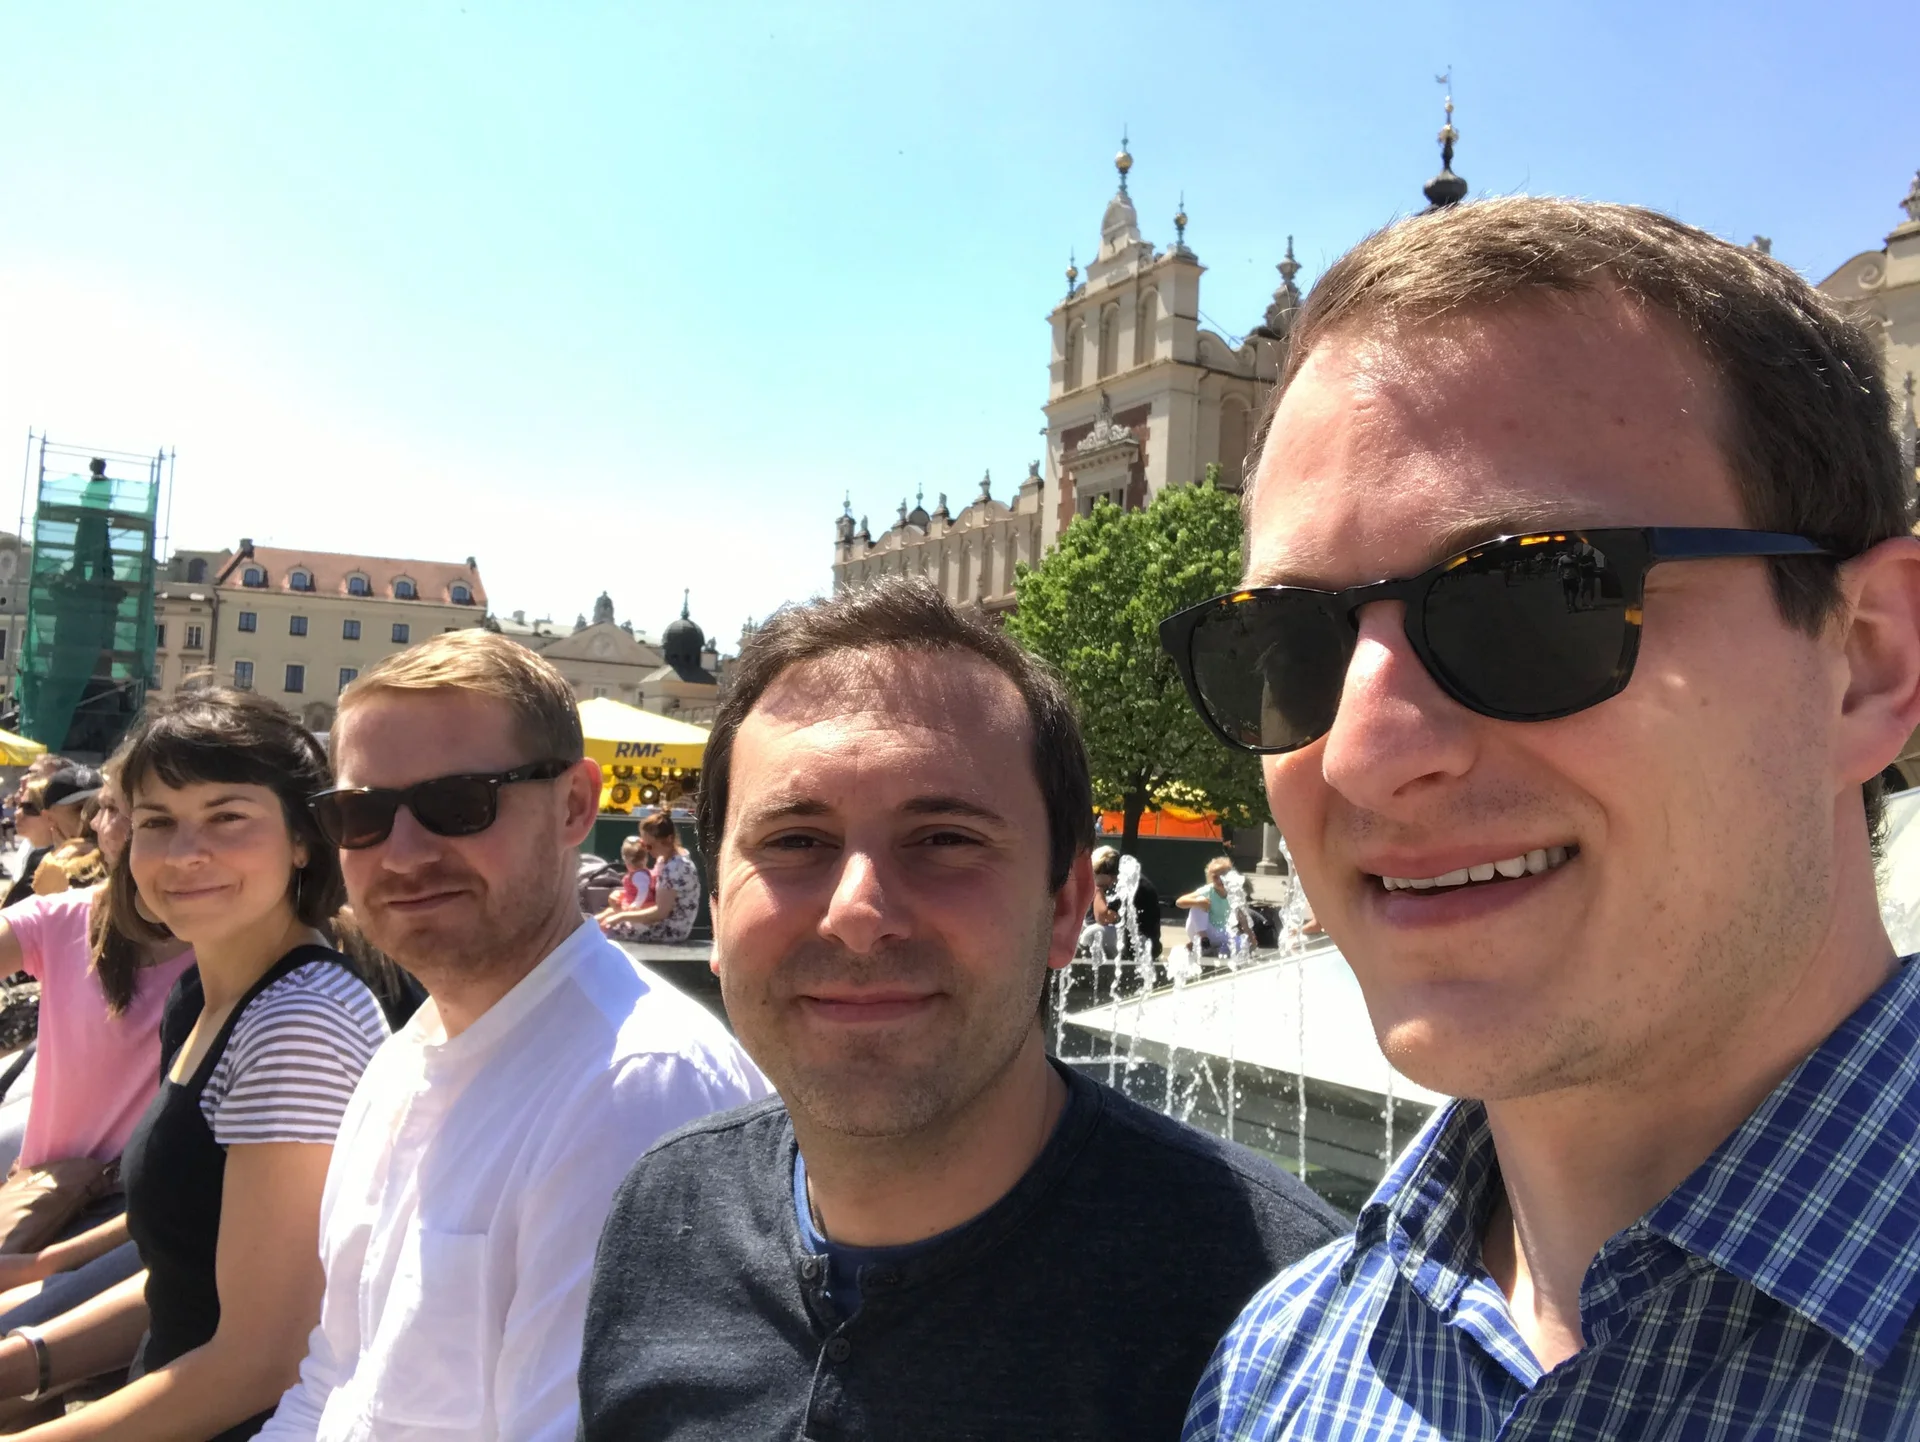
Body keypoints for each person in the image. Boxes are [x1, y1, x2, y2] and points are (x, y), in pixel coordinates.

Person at [1172, 197, 1920, 1439]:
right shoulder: (1277, 1371)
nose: (1360, 752)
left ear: (1866, 660)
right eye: (1289, 645)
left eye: (1532, 596)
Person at [577, 578, 1344, 1442]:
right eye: (795, 841)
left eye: (945, 839)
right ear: (719, 912)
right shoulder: (661, 1213)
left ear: (1066, 908)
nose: (859, 914)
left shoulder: (1294, 1313)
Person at [260, 628, 766, 1441]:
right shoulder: (403, 1061)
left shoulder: (632, 1090)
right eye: (362, 814)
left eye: (459, 803)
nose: (404, 853)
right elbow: (335, 1384)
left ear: (575, 806)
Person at [0, 688, 390, 1438]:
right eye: (156, 822)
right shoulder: (203, 998)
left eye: (227, 817)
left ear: (302, 839)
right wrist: (26, 1361)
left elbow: (260, 1362)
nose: (184, 854)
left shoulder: (297, 1022)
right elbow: (186, 1283)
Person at [0, 758, 195, 1332]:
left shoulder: (230, 947)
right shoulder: (63, 920)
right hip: (43, 1199)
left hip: (130, 1224)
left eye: (143, 815)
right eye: (106, 808)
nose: (109, 824)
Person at [597, 810, 700, 943]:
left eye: (650, 846)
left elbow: (660, 913)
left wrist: (621, 916)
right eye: (644, 845)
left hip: (669, 930)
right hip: (662, 922)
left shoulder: (676, 867)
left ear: (668, 840)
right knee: (610, 912)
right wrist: (622, 895)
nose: (647, 850)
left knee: (609, 927)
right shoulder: (666, 860)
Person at [1089, 845, 1162, 962]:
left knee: (1093, 933)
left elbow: (1103, 918)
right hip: (1125, 938)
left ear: (1105, 873)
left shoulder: (1132, 885)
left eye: (1094, 874)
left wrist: (1098, 888)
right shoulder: (1109, 885)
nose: (1091, 878)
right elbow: (1089, 919)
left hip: (1141, 943)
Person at [593, 834, 655, 940]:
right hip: (630, 904)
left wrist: (637, 904)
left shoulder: (639, 875)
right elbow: (634, 890)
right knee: (608, 912)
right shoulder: (639, 873)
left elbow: (643, 890)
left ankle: (596, 933)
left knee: (607, 920)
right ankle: (590, 924)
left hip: (638, 908)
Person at [1175, 856, 1235, 955]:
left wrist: (1250, 935)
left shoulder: (1234, 892)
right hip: (1200, 931)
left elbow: (1241, 916)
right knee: (1199, 900)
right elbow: (1179, 902)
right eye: (1215, 877)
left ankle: (1214, 949)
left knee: (1238, 943)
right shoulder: (1208, 890)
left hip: (1219, 932)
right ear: (1210, 878)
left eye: (1223, 876)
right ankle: (1203, 941)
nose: (1219, 880)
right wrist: (1198, 903)